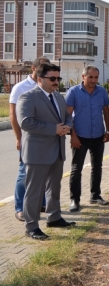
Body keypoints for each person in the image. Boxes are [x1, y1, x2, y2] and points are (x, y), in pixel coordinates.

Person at [17, 63, 76, 240]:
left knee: (54, 187)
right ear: (40, 79)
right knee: (35, 191)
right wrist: (54, 129)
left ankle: (54, 217)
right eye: (52, 78)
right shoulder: (28, 97)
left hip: (57, 149)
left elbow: (67, 116)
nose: (56, 81)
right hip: (37, 152)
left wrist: (67, 127)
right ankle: (32, 226)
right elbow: (26, 123)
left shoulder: (58, 97)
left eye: (58, 78)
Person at [66, 65, 109, 212]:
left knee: (97, 167)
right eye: (90, 77)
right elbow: (67, 116)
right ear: (83, 77)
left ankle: (96, 195)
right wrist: (73, 135)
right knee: (76, 168)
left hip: (98, 135)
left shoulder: (101, 91)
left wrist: (108, 130)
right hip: (80, 136)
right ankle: (74, 199)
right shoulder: (73, 92)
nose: (93, 80)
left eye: (96, 77)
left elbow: (106, 111)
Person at [9, 57, 50, 221]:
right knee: (24, 174)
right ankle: (20, 208)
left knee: (44, 173)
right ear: (33, 67)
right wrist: (18, 138)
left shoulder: (48, 86)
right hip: (28, 138)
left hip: (46, 137)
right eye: (41, 66)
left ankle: (41, 203)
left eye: (47, 67)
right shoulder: (20, 88)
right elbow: (13, 115)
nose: (44, 69)